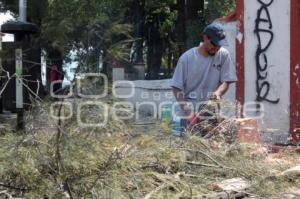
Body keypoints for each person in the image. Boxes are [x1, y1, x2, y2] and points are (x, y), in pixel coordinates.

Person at [171, 23, 237, 132]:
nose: (216, 48)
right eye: (214, 44)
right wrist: (189, 113)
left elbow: (226, 81)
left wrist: (218, 93)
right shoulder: (187, 58)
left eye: (219, 45)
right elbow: (176, 88)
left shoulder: (223, 55)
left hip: (212, 113)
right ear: (205, 37)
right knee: (186, 146)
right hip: (188, 114)